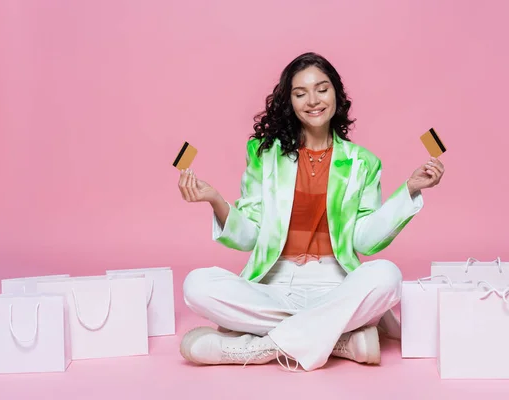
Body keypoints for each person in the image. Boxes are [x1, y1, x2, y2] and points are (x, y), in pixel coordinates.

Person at [177, 52, 445, 372]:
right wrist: (216, 200)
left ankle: (261, 346)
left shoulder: (363, 162)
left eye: (322, 89)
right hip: (274, 285)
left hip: (336, 285)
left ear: (337, 94)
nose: (313, 100)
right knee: (197, 285)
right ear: (289, 102)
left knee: (387, 276)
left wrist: (410, 190)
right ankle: (340, 340)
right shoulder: (264, 155)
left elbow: (365, 241)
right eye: (300, 93)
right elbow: (249, 237)